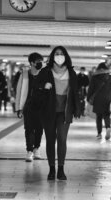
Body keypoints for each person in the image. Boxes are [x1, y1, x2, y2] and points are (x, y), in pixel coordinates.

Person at [34, 46, 80, 180]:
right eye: (56, 54)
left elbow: (75, 92)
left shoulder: (71, 73)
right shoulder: (45, 71)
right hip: (48, 111)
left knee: (62, 139)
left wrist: (77, 108)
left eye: (61, 54)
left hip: (64, 112)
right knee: (50, 140)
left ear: (66, 56)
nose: (59, 56)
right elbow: (35, 87)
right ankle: (51, 169)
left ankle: (61, 168)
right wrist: (43, 86)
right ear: (52, 56)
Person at [15, 52, 44, 162]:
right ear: (31, 63)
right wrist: (18, 108)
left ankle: (36, 148)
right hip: (28, 106)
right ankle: (29, 151)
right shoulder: (24, 75)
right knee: (29, 129)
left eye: (41, 62)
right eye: (38, 62)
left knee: (39, 129)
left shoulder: (44, 74)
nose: (40, 64)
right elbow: (19, 92)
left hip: (41, 107)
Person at [87, 59, 111, 140]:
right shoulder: (110, 77)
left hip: (97, 99)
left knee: (99, 117)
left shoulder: (94, 77)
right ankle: (108, 127)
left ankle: (99, 133)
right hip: (107, 98)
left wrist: (88, 98)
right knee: (107, 115)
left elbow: (91, 89)